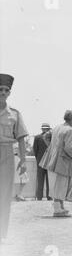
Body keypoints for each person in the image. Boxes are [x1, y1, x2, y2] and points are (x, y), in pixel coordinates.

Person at [0, 73, 28, 243]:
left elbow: (21, 138)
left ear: (9, 93)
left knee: (4, 194)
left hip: (7, 154)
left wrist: (24, 161)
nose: (3, 93)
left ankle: (1, 232)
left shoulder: (15, 114)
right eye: (0, 89)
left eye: (6, 90)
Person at [39, 110, 72, 217]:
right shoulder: (69, 130)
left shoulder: (57, 127)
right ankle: (57, 210)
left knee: (58, 184)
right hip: (63, 161)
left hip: (53, 160)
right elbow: (69, 148)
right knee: (61, 185)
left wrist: (53, 147)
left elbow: (45, 136)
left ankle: (60, 207)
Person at [33, 123, 52, 201]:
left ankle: (39, 197)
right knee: (49, 180)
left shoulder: (37, 137)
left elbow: (35, 150)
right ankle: (49, 196)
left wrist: (38, 159)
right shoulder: (52, 138)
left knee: (40, 180)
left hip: (40, 161)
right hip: (49, 161)